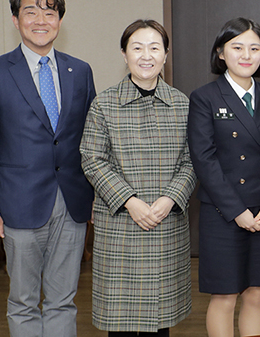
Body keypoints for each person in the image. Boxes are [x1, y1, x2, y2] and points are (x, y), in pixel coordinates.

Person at [0, 0, 96, 337]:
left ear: (59, 21)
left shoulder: (80, 71)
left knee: (63, 300)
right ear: (15, 20)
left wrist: (93, 199)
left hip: (72, 202)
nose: (41, 19)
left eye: (50, 11)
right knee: (23, 303)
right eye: (31, 11)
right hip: (17, 205)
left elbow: (90, 140)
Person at [80, 19, 196, 336]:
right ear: (124, 53)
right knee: (120, 322)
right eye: (137, 47)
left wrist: (170, 197)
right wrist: (129, 201)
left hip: (165, 223)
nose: (146, 55)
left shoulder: (183, 104)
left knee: (160, 324)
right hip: (120, 225)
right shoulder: (104, 104)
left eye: (154, 47)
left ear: (166, 55)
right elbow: (92, 158)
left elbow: (193, 160)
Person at [188, 18, 260, 337]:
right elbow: (204, 160)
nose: (247, 55)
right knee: (225, 295)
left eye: (255, 48)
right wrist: (237, 212)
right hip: (224, 213)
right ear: (220, 53)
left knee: (257, 293)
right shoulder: (205, 97)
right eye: (237, 47)